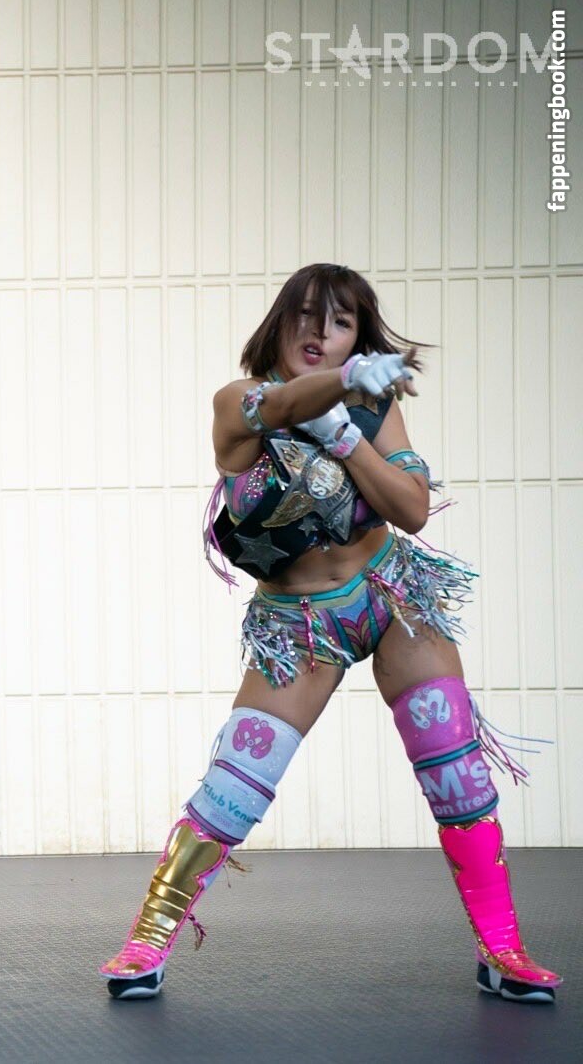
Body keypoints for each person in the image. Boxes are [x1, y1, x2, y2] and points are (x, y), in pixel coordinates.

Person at [98, 263, 561, 1004]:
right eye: (307, 315)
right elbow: (283, 403)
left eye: (341, 322)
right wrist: (341, 386)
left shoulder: (373, 408)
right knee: (232, 789)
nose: (320, 332)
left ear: (358, 337)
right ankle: (145, 942)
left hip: (392, 594)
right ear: (279, 323)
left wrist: (348, 436)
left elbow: (412, 509)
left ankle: (502, 949)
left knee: (457, 775)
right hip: (299, 624)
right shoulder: (239, 400)